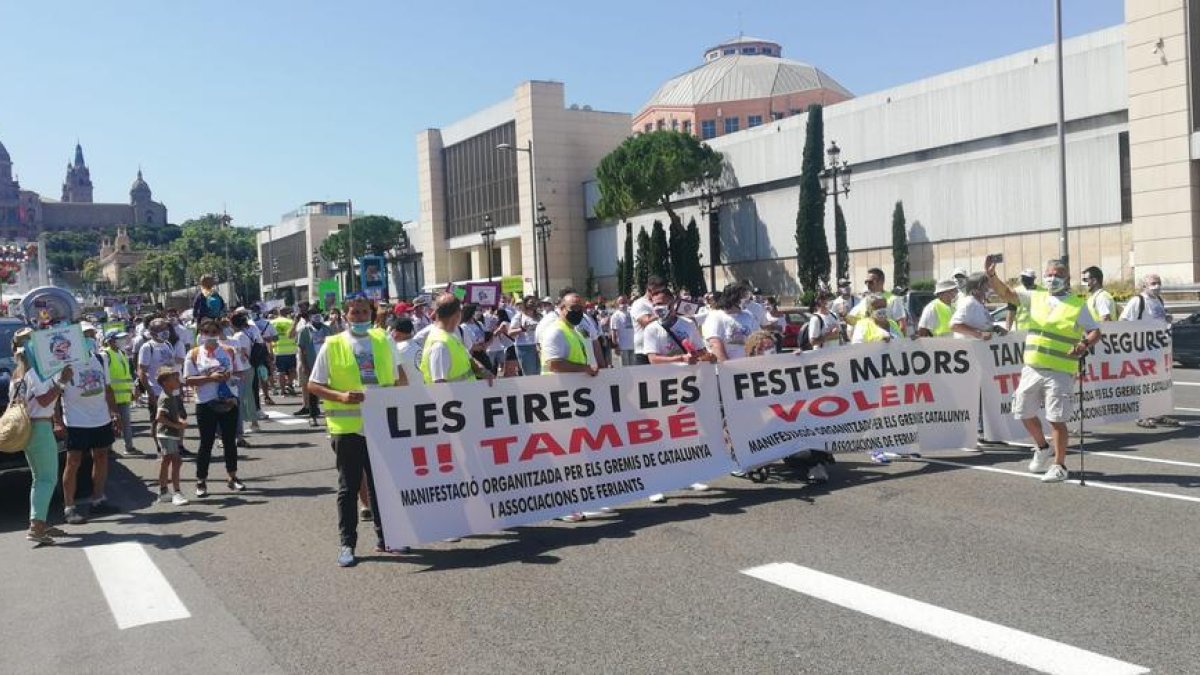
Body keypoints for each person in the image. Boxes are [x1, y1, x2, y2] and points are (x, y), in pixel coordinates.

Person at [306, 294, 405, 567]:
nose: (359, 317)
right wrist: (341, 397)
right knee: (348, 488)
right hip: (347, 428)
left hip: (381, 425)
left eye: (363, 312)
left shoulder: (384, 340)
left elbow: (399, 379)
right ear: (345, 316)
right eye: (354, 313)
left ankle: (387, 539)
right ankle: (347, 544)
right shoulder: (333, 344)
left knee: (382, 486)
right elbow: (314, 385)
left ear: (371, 314)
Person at [991, 258, 1101, 483]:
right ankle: (1042, 447)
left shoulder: (1077, 305)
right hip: (1032, 367)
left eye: (1057, 274)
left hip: (1060, 370)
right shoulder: (1036, 296)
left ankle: (1059, 465)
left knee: (1056, 418)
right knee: (1022, 410)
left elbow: (1095, 332)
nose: (1052, 278)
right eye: (1049, 274)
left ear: (1067, 278)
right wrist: (992, 277)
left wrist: (1083, 344)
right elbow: (1008, 295)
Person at [642, 286, 711, 502]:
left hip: (687, 386)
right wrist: (679, 359)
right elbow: (653, 359)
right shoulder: (651, 329)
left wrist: (703, 356)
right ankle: (655, 485)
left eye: (662, 303)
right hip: (661, 388)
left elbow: (699, 351)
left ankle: (687, 476)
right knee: (660, 435)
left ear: (673, 304)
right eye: (654, 304)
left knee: (686, 434)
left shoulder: (688, 325)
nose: (658, 307)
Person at [60, 330, 121, 525]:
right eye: (85, 335)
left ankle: (98, 499)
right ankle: (69, 507)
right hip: (77, 421)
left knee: (101, 457)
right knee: (73, 462)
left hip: (100, 419)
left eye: (91, 336)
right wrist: (56, 421)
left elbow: (108, 389)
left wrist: (114, 412)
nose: (89, 339)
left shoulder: (101, 359)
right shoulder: (64, 363)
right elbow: (56, 394)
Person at [11, 349, 69, 544]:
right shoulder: (34, 373)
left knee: (39, 478)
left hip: (27, 429)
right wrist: (61, 382)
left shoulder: (16, 376)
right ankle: (36, 527)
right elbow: (44, 400)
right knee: (47, 479)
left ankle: (40, 523)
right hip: (40, 426)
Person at [184, 319, 245, 497]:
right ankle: (201, 480)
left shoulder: (228, 351)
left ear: (219, 333)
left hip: (228, 401)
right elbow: (188, 379)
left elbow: (239, 373)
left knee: (229, 441)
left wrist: (229, 377)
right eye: (207, 332)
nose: (210, 336)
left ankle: (232, 477)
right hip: (205, 402)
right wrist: (211, 378)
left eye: (214, 332)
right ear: (201, 334)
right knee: (206, 442)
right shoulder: (194, 353)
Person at [1120, 273, 1178, 428]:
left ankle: (1157, 413)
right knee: (1142, 385)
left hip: (1157, 351)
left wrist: (1166, 319)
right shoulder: (1137, 301)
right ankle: (1141, 415)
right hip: (1141, 351)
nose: (1156, 286)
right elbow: (1123, 322)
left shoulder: (1158, 300)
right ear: (1144, 285)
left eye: (1158, 282)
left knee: (1157, 384)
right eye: (1153, 283)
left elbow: (1157, 320)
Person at [420, 294, 492, 384]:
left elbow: (469, 359)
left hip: (467, 395)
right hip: (456, 397)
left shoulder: (450, 336)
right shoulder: (440, 345)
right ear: (458, 314)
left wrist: (484, 372)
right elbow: (439, 385)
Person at [137, 318, 177, 449]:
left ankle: (173, 446)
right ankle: (159, 448)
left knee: (172, 419)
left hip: (171, 391)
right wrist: (150, 392)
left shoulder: (168, 344)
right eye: (161, 329)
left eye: (166, 328)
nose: (165, 332)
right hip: (156, 391)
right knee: (157, 420)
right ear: (152, 332)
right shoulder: (147, 347)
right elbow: (142, 371)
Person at [154, 366, 189, 506]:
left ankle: (164, 491)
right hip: (166, 434)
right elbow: (159, 417)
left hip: (170, 434)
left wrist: (179, 421)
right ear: (165, 382)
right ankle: (176, 492)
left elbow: (171, 415)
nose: (177, 380)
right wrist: (176, 426)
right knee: (175, 461)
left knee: (168, 461)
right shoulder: (165, 397)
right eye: (173, 378)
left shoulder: (171, 396)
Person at [102, 328, 137, 456]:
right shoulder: (106, 355)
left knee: (126, 423)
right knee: (111, 423)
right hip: (111, 397)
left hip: (124, 395)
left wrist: (132, 390)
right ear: (111, 341)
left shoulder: (122, 353)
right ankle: (109, 449)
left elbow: (127, 375)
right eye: (119, 338)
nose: (122, 341)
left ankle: (129, 447)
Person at [702, 284, 757, 362]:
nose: (748, 300)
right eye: (745, 297)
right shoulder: (715, 316)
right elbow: (715, 344)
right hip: (727, 369)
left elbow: (757, 339)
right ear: (734, 298)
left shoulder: (748, 315)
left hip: (748, 366)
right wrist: (729, 367)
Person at [847, 268, 908, 334]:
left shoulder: (894, 300)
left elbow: (902, 326)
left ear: (881, 282)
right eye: (866, 282)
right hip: (867, 342)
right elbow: (852, 321)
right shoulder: (864, 301)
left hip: (887, 342)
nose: (868, 285)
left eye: (870, 282)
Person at [297, 312, 331, 427]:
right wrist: (304, 365)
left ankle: (329, 416)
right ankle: (313, 416)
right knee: (312, 391)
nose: (317, 317)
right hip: (311, 363)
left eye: (319, 315)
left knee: (328, 390)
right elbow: (301, 349)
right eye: (314, 315)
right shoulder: (305, 331)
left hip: (326, 363)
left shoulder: (327, 329)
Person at [950, 273, 1000, 341]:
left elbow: (981, 326)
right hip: (968, 348)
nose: (988, 290)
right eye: (985, 287)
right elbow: (954, 326)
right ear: (975, 289)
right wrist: (979, 334)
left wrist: (994, 329)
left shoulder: (980, 305)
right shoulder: (969, 303)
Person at [631, 276, 666, 365]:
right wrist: (662, 312)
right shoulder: (639, 303)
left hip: (660, 349)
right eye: (657, 292)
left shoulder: (660, 302)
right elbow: (644, 322)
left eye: (662, 291)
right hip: (643, 351)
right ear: (649, 289)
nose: (660, 294)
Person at [508, 297, 542, 376]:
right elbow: (510, 332)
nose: (533, 304)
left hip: (538, 346)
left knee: (540, 372)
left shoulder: (539, 316)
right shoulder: (519, 316)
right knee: (529, 373)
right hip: (524, 347)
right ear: (525, 303)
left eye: (534, 302)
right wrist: (522, 329)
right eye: (531, 302)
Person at [271, 307, 299, 397]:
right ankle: (290, 383)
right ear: (287, 313)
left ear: (278, 312)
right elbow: (295, 334)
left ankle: (283, 391)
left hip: (278, 350)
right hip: (291, 350)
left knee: (280, 372)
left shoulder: (272, 322)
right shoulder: (290, 322)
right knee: (293, 370)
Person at [390, 317, 422, 384]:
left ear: (396, 332)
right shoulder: (419, 347)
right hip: (423, 390)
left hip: (406, 391)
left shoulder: (397, 349)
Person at [609, 296, 635, 367]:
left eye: (625, 302)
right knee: (625, 368)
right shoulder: (615, 316)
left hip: (633, 345)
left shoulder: (631, 312)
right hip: (622, 347)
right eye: (621, 302)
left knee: (634, 367)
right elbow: (614, 332)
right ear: (617, 303)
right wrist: (615, 346)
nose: (623, 304)